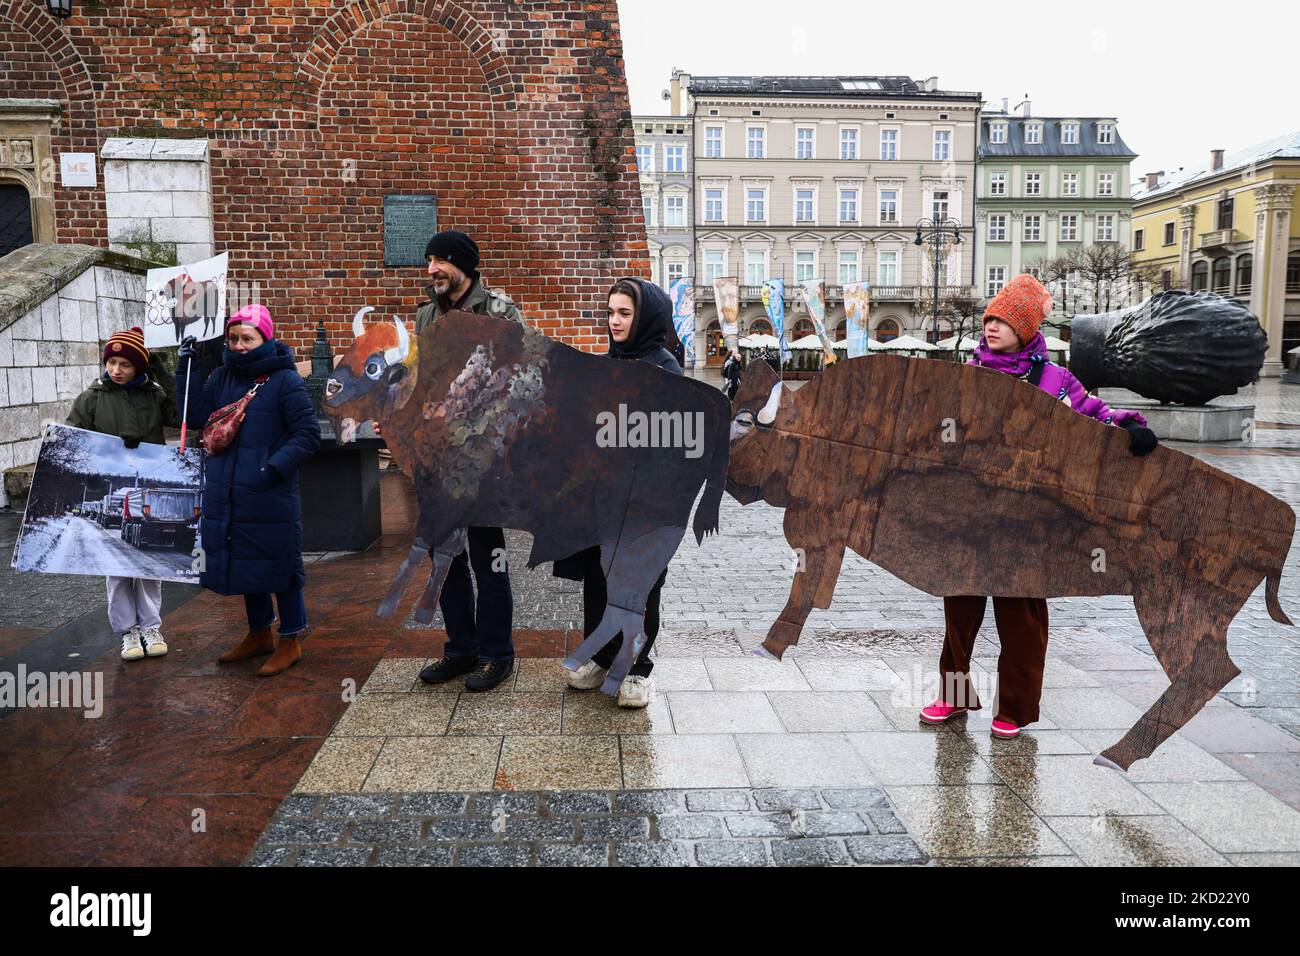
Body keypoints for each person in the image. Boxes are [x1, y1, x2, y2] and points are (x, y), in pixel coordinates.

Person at [919, 273, 1158, 738]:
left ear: (1026, 330)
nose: (991, 327)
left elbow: (1093, 415)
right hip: (971, 514)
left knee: (1022, 616)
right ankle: (953, 695)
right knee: (960, 612)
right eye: (990, 319)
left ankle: (1015, 708)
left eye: (1004, 321)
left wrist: (1128, 427)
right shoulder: (969, 375)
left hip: (1029, 519)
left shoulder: (1054, 379)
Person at [553, 277, 682, 708]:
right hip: (602, 499)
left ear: (644, 317)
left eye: (624, 313)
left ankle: (637, 667)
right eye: (610, 312)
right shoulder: (609, 361)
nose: (615, 321)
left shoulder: (665, 369)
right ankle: (603, 656)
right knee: (597, 577)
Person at [176, 304, 320, 676]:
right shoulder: (222, 377)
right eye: (234, 338)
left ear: (266, 339)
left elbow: (308, 434)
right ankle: (259, 635)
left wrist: (270, 469)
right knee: (246, 563)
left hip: (269, 493)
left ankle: (291, 638)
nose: (239, 345)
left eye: (248, 338)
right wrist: (185, 368)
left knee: (281, 566)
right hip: (228, 492)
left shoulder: (285, 381)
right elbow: (194, 417)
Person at [408, 229, 524, 692]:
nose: (431, 268)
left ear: (464, 265)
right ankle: (461, 649)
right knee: (446, 561)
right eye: (428, 259)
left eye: (440, 260)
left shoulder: (498, 311)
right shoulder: (424, 316)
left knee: (488, 559)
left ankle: (497, 654)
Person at [67, 326, 181, 661]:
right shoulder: (92, 397)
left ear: (139, 368)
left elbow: (181, 414)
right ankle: (128, 631)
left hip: (148, 486)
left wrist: (163, 372)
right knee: (117, 565)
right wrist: (107, 452)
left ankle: (150, 626)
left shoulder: (154, 395)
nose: (116, 370)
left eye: (125, 364)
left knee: (148, 562)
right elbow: (72, 436)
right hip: (112, 488)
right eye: (112, 362)